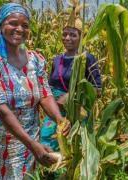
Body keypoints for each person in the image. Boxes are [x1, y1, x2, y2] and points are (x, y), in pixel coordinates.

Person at [0, 3, 70, 179]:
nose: (19, 29)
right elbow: (0, 108)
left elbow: (45, 94)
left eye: (25, 25)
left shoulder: (36, 60)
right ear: (0, 25)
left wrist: (60, 119)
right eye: (13, 23)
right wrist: (33, 145)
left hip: (31, 135)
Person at [40, 6, 102, 151]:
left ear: (81, 37)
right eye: (65, 34)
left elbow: (97, 89)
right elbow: (49, 86)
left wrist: (70, 96)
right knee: (47, 138)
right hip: (56, 110)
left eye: (73, 35)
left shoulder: (87, 58)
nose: (67, 38)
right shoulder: (57, 60)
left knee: (73, 145)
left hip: (76, 111)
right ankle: (51, 172)